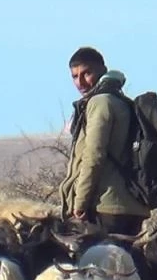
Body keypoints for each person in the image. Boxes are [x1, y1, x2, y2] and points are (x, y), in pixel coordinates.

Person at [59, 46, 149, 235]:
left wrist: (80, 203)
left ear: (102, 70)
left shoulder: (100, 102)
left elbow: (93, 155)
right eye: (74, 76)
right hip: (133, 206)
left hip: (105, 207)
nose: (80, 82)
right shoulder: (122, 101)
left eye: (86, 73)